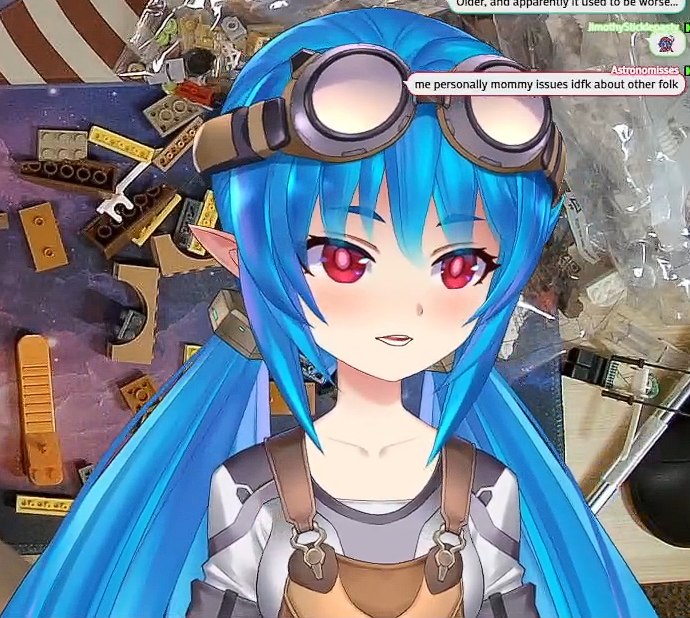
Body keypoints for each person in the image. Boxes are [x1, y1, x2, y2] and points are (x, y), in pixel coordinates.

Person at [2, 8, 657, 618]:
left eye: (461, 266)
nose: (409, 305)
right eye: (345, 260)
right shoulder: (250, 488)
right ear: (240, 254)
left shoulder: (487, 489)